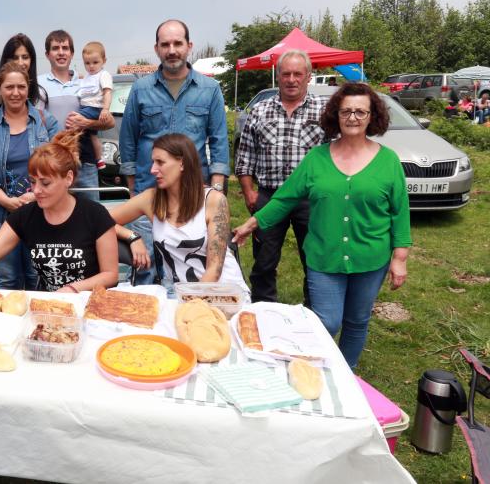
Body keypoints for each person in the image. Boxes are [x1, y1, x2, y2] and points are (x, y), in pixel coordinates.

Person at [232, 82, 411, 369]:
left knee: (356, 320)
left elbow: (399, 211)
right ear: (336, 116)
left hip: (371, 257)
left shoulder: (388, 161)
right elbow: (285, 198)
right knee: (326, 321)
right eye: (346, 111)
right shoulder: (317, 158)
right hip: (323, 256)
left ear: (372, 116)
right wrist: (251, 224)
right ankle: (312, 363)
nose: (353, 118)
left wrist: (399, 257)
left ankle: (345, 372)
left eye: (360, 112)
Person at [0, 129, 118, 292]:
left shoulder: (94, 214)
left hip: (90, 304)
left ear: (68, 178)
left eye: (45, 183)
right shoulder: (25, 216)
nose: (36, 190)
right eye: (33, 182)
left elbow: (110, 275)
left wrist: (73, 289)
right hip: (49, 306)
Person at [119, 19, 229, 284]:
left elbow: (219, 141)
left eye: (177, 43)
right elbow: (128, 140)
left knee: (191, 269)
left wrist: (216, 190)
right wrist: (134, 187)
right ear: (156, 49)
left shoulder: (209, 90)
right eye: (165, 44)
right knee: (145, 267)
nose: (172, 50)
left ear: (189, 46)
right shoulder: (141, 89)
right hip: (150, 192)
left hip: (193, 198)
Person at [234, 49, 327, 305]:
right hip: (269, 195)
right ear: (278, 76)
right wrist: (249, 191)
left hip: (311, 199)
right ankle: (263, 310)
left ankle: (315, 312)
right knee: (263, 260)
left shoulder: (325, 110)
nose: (291, 79)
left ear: (309, 76)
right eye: (286, 74)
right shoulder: (260, 110)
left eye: (298, 74)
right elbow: (245, 155)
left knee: (314, 259)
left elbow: (336, 154)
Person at [111, 133, 248, 294]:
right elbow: (98, 220)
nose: (153, 170)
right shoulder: (151, 199)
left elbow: (214, 271)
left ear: (182, 163)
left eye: (160, 162)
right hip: (182, 295)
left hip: (223, 293)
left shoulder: (213, 201)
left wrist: (189, 305)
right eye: (153, 162)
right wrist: (132, 236)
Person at [0, 61, 59, 289]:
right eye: (9, 87)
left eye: (21, 87)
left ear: (28, 88)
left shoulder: (46, 121)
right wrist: (6, 201)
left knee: (36, 278)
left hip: (40, 212)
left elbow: (60, 164)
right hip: (1, 215)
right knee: (7, 279)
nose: (15, 93)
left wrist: (33, 196)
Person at [37, 30, 114, 202]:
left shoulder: (86, 82)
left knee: (91, 215)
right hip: (53, 162)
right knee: (57, 216)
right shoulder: (38, 84)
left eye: (65, 48)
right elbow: (35, 123)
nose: (61, 52)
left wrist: (86, 123)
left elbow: (109, 123)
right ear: (47, 54)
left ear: (72, 53)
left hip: (85, 162)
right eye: (55, 48)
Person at [0, 33, 46, 118]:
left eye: (25, 57)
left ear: (31, 60)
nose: (20, 63)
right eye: (15, 58)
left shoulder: (40, 94)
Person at [77, 41, 113, 170]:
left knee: (72, 122)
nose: (91, 66)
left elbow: (108, 92)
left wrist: (105, 109)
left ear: (104, 60)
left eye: (95, 62)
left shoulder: (103, 75)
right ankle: (99, 159)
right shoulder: (86, 77)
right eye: (87, 63)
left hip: (95, 108)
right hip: (86, 108)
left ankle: (73, 154)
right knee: (92, 135)